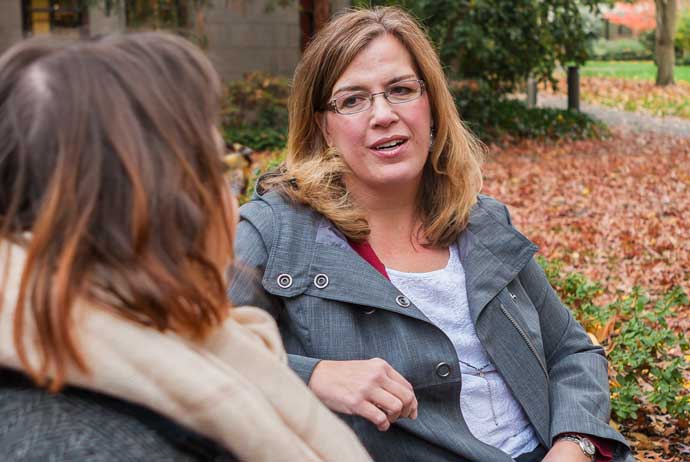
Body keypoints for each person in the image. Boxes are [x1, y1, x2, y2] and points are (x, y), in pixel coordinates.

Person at [228, 6, 633, 462]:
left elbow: (573, 351)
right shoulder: (276, 232)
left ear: (431, 105)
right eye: (353, 100)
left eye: (401, 90)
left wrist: (573, 444)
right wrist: (313, 376)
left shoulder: (479, 221)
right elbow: (192, 351)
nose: (383, 114)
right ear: (322, 125)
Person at [0, 33, 372, 462]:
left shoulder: (141, 354)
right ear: (161, 203)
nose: (233, 202)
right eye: (218, 169)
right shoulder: (83, 443)